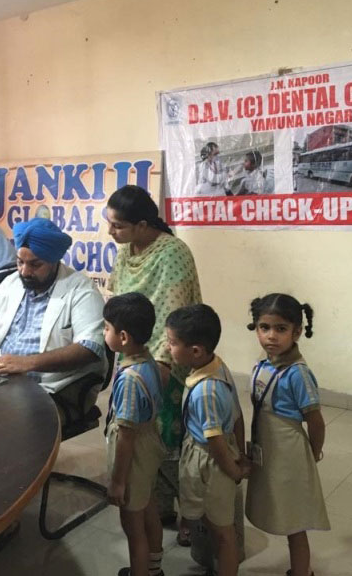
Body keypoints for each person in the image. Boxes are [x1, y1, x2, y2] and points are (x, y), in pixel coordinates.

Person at [106, 184, 202, 545]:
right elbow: (118, 300)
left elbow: (172, 314)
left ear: (143, 224)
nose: (111, 232)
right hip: (133, 357)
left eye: (118, 226)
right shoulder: (125, 251)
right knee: (144, 438)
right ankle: (157, 507)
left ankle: (193, 513)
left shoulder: (173, 252)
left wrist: (159, 366)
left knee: (172, 440)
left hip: (167, 360)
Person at [0, 218, 106, 422]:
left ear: (54, 260)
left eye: (35, 264)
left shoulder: (81, 290)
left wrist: (27, 363)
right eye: (20, 261)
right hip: (0, 380)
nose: (24, 271)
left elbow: (90, 348)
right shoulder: (12, 282)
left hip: (53, 389)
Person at [244, 293, 330, 576]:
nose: (271, 336)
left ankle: (302, 571)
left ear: (296, 332)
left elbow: (316, 422)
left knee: (294, 522)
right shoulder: (264, 362)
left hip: (290, 454)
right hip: (269, 449)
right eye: (264, 327)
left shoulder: (298, 374)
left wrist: (312, 453)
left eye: (281, 329)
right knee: (277, 508)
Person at [165, 304, 249, 576]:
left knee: (223, 533)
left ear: (196, 351)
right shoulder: (217, 365)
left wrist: (234, 470)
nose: (168, 348)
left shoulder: (206, 392)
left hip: (211, 463)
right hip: (213, 457)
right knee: (214, 524)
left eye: (172, 342)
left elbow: (215, 443)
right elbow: (237, 417)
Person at [103, 293, 166, 576]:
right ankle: (154, 568)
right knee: (148, 505)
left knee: (133, 526)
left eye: (106, 328)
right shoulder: (147, 360)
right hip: (150, 442)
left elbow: (126, 438)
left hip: (134, 452)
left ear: (124, 337)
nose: (104, 332)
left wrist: (118, 482)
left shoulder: (129, 379)